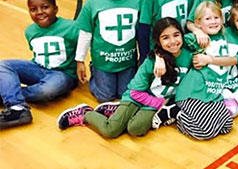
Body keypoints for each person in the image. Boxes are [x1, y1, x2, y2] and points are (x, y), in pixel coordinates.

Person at [58, 18, 192, 138]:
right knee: (111, 131)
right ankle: (85, 113)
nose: (173, 41)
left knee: (135, 129)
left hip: (156, 102)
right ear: (158, 41)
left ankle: (116, 111)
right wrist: (160, 104)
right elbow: (135, 92)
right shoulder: (151, 62)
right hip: (138, 97)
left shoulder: (189, 55)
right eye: (165, 38)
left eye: (176, 35)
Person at [152, 4, 235, 138]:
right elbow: (170, 43)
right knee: (205, 132)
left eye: (216, 17)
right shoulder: (198, 39)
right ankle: (173, 111)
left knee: (226, 125)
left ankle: (184, 113)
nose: (213, 21)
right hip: (192, 91)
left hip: (213, 90)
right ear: (198, 23)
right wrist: (158, 56)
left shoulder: (225, 35)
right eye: (208, 19)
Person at [0, 0, 78, 128]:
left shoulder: (72, 27)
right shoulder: (30, 31)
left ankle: (9, 93)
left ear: (56, 9)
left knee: (46, 91)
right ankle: (18, 108)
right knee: (3, 65)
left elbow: (85, 47)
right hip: (38, 68)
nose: (40, 12)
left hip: (62, 74)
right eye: (33, 9)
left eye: (45, 7)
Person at [75, 0, 142, 102]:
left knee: (126, 95)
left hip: (128, 62)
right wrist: (80, 60)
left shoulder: (139, 0)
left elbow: (142, 33)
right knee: (105, 97)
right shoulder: (93, 3)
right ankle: (95, 71)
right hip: (103, 62)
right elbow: (85, 33)